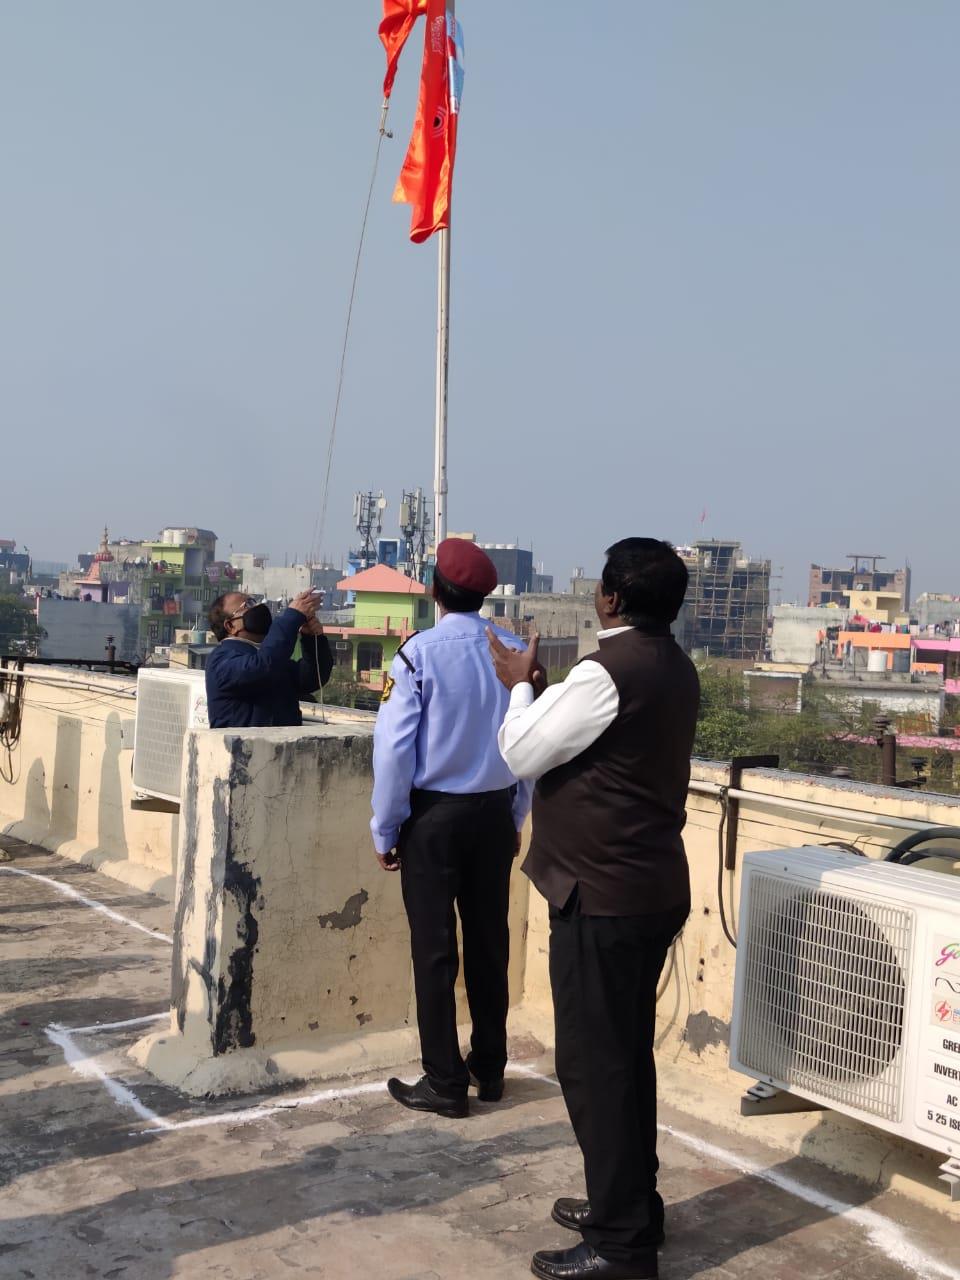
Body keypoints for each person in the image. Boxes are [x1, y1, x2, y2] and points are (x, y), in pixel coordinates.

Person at [489, 538, 699, 1280]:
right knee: (622, 1059)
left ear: (608, 599)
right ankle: (630, 1203)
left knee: (594, 1066)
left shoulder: (606, 670)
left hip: (604, 898)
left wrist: (519, 684)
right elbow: (596, 740)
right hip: (648, 888)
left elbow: (518, 752)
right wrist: (548, 687)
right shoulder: (670, 664)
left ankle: (620, 1243)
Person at [371, 539, 533, 1119]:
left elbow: (394, 751)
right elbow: (528, 748)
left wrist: (385, 827)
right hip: (493, 812)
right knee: (490, 945)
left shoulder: (418, 654)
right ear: (484, 593)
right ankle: (489, 1069)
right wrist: (515, 816)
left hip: (434, 819)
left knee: (435, 950)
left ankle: (443, 1080)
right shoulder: (514, 651)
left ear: (436, 590)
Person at [205, 590, 333, 729]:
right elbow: (262, 667)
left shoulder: (267, 655)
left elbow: (310, 678)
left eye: (254, 601)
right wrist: (292, 617)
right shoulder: (220, 659)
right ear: (231, 626)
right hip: (245, 749)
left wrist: (312, 639)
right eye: (247, 604)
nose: (257, 607)